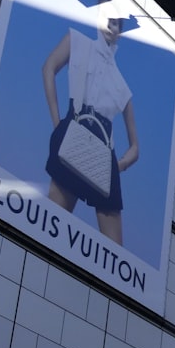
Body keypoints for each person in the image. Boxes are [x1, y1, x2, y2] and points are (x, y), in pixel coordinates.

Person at [43, 15, 138, 245]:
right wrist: (58, 126)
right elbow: (49, 68)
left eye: (116, 23)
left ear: (120, 31)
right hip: (74, 131)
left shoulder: (122, 85)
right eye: (108, 20)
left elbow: (136, 147)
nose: (110, 26)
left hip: (104, 152)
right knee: (48, 231)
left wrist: (117, 166)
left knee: (114, 253)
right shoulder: (77, 41)